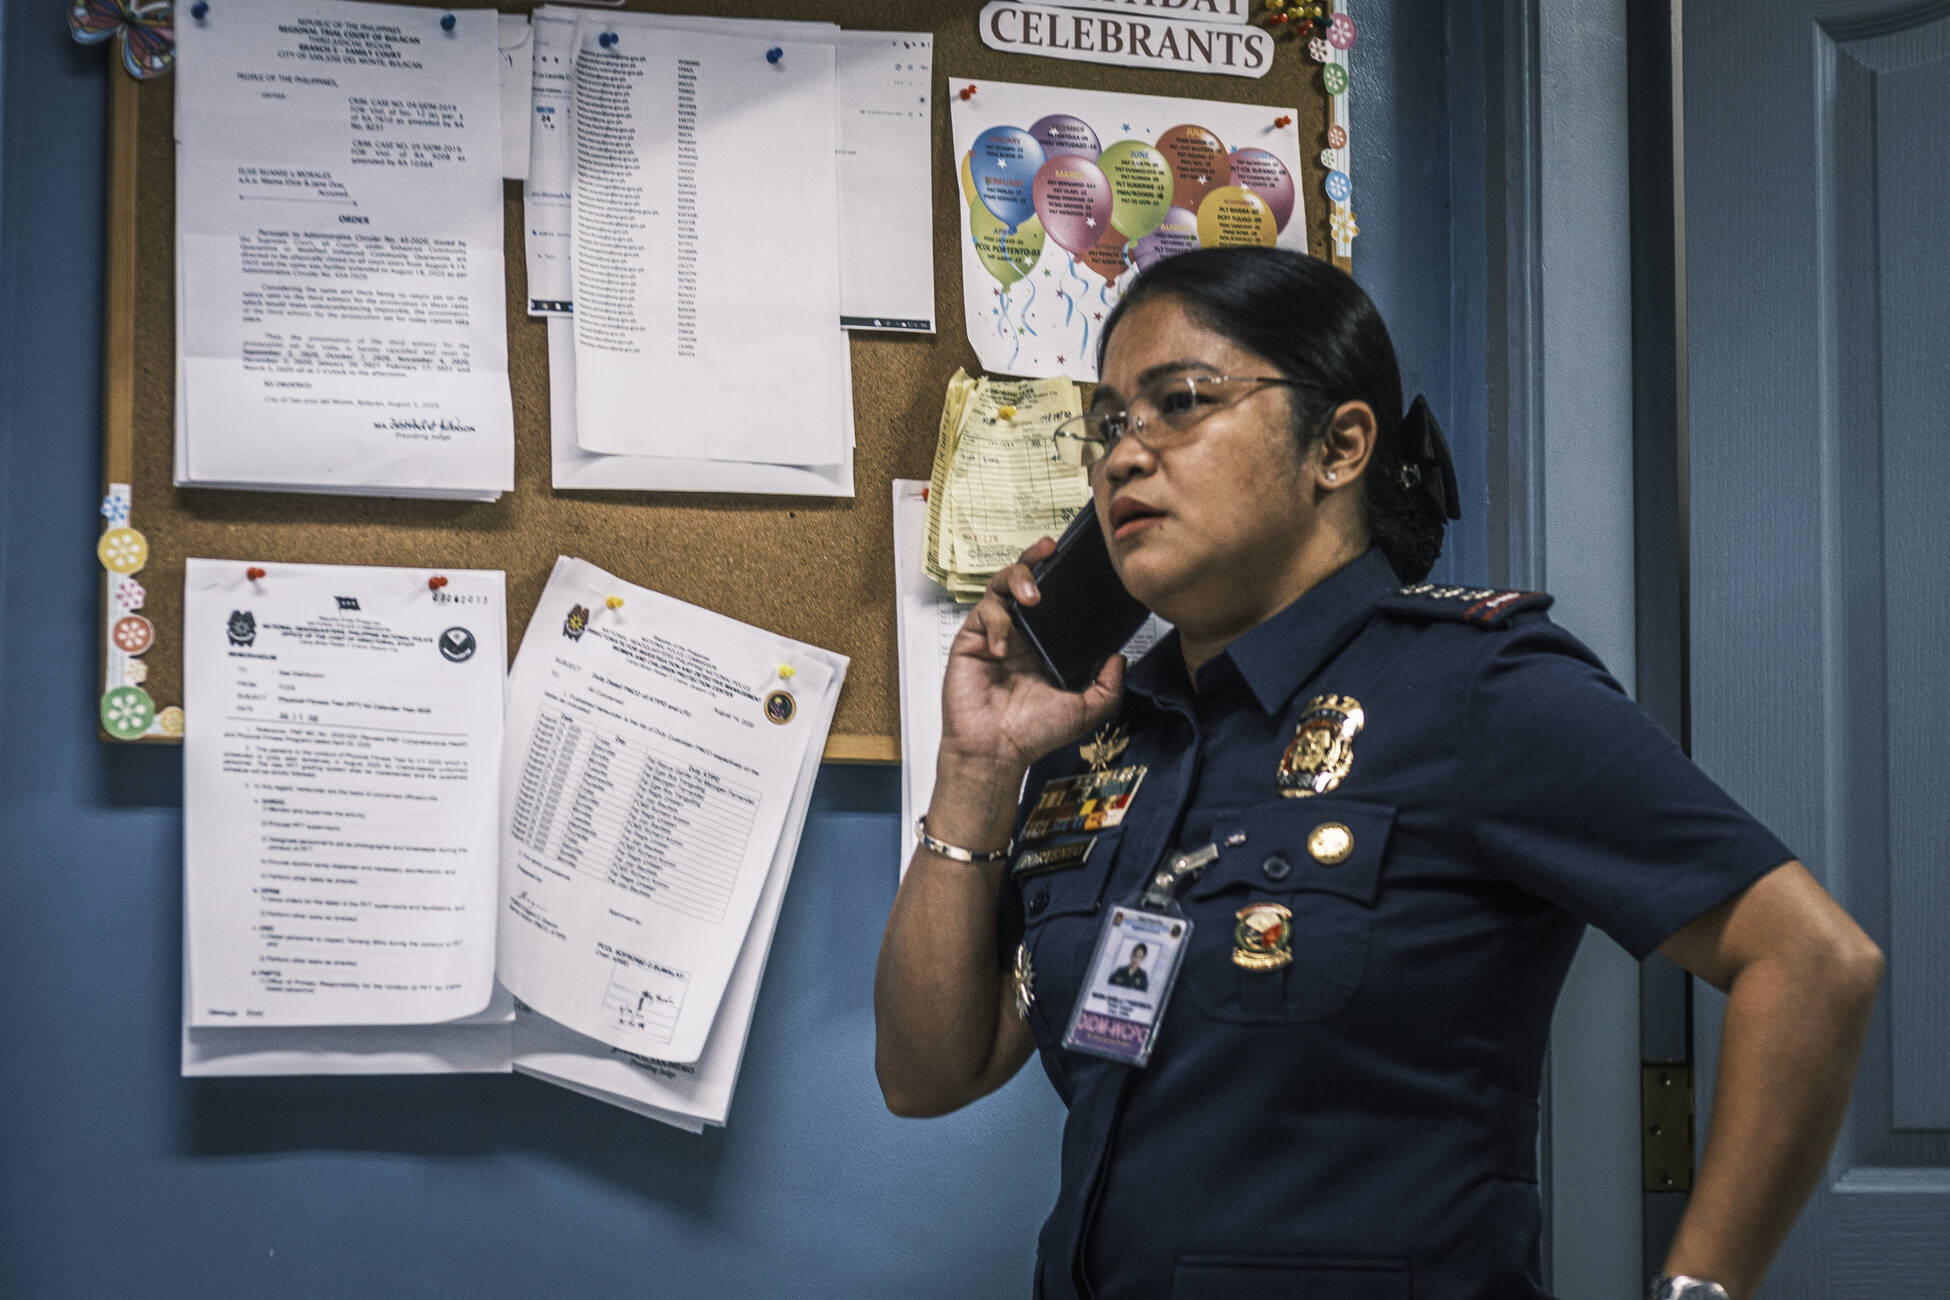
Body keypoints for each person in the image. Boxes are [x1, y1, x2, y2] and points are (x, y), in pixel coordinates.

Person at [873, 248, 1882, 1300]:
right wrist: (979, 766)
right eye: (1111, 424)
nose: (1126, 456)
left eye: (1180, 402)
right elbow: (928, 1072)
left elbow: (1814, 962)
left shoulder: (1479, 689)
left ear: (1340, 446)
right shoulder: (1101, 732)